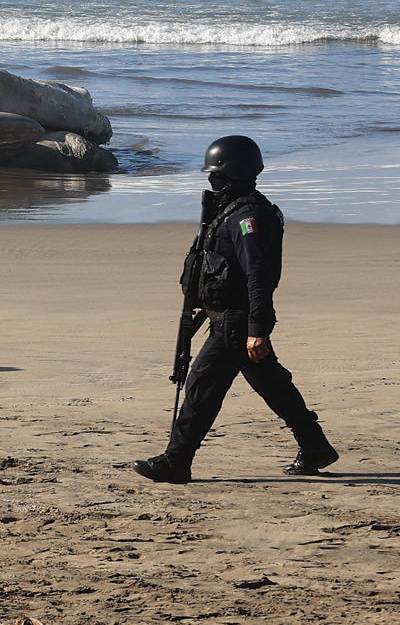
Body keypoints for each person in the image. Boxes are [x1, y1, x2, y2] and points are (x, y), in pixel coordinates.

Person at [134, 135, 338, 483]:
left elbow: (258, 276)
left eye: (217, 176)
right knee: (273, 384)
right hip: (229, 319)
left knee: (202, 384)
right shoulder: (233, 211)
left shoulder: (248, 217)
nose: (212, 182)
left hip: (237, 322)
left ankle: (177, 460)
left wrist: (258, 329)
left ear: (235, 175)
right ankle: (315, 445)